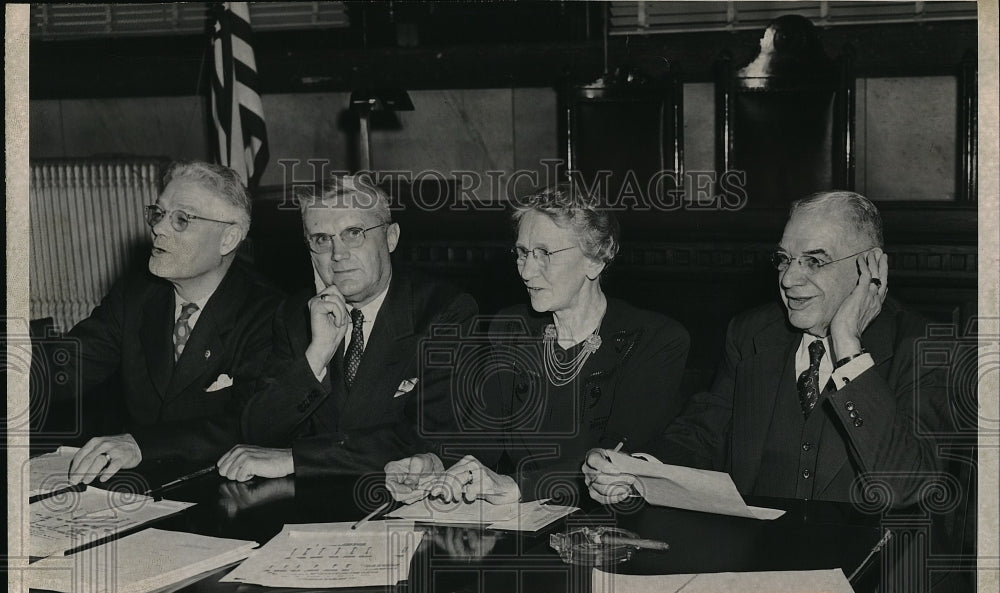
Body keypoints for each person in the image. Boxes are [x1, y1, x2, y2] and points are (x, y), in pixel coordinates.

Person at [584, 190, 949, 508]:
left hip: (874, 575)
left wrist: (848, 347)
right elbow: (704, 433)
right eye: (784, 259)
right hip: (760, 561)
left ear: (868, 267)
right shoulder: (752, 334)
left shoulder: (924, 346)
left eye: (814, 261)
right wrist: (637, 472)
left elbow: (908, 484)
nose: (789, 279)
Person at [385, 183, 690, 505]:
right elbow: (480, 440)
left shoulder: (656, 340)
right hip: (530, 522)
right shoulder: (509, 329)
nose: (527, 271)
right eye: (522, 252)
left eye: (545, 253)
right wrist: (434, 465)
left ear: (596, 259)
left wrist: (517, 487)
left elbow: (617, 462)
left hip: (616, 524)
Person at [33, 160, 281, 485]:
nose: (158, 229)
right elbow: (65, 365)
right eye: (159, 213)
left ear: (228, 238)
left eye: (181, 219)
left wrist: (141, 445)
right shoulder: (137, 295)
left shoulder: (269, 312)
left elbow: (251, 424)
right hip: (144, 490)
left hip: (232, 490)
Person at [217, 174, 478, 481]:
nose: (337, 254)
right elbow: (257, 432)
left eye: (353, 233)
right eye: (321, 239)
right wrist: (317, 355)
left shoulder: (445, 312)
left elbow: (431, 439)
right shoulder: (295, 315)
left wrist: (298, 459)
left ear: (391, 237)